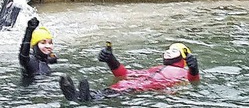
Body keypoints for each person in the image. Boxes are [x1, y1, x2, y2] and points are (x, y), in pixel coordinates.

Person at [59, 42, 200, 102]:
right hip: (134, 85)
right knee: (122, 84)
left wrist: (194, 69)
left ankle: (87, 98)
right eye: (167, 50)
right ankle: (81, 95)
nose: (168, 52)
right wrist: (111, 60)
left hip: (143, 89)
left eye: (174, 51)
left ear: (184, 57)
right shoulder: (155, 69)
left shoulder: (183, 71)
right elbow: (125, 74)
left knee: (124, 88)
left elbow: (193, 81)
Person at [19, 16, 58, 83]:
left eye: (50, 43)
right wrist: (29, 31)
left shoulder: (47, 59)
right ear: (35, 46)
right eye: (43, 43)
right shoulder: (30, 61)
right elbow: (23, 54)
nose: (48, 46)